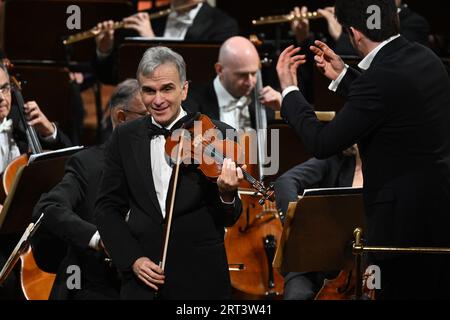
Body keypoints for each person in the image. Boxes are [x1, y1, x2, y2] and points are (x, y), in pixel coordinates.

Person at [276, 0, 450, 299]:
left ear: (355, 33)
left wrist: (290, 91)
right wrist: (345, 75)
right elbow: (390, 100)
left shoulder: (380, 80)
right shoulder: (426, 58)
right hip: (439, 220)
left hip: (398, 234)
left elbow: (323, 143)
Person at [95, 46, 243, 300]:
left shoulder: (217, 135)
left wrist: (227, 194)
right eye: (149, 91)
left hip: (201, 282)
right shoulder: (124, 136)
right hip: (142, 282)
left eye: (167, 89)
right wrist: (133, 259)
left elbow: (228, 218)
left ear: (184, 89)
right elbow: (107, 208)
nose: (158, 100)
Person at [31, 79, 147, 300]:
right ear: (121, 118)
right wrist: (98, 238)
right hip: (92, 285)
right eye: (147, 115)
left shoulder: (163, 166)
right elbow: (48, 207)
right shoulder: (87, 164)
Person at [0, 63, 72, 299]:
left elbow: (72, 164)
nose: (2, 98)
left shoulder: (23, 124)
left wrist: (48, 130)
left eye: (5, 89)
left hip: (39, 232)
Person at [275, 145, 362, 300]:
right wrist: (300, 225)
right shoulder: (334, 160)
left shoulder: (393, 169)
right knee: (297, 294)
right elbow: (285, 181)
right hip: (323, 255)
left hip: (369, 262)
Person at [94, 0, 239, 85]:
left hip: (191, 112)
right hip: (140, 108)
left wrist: (151, 41)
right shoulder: (148, 18)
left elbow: (204, 81)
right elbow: (111, 78)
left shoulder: (223, 25)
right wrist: (105, 50)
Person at [188, 36, 281, 131]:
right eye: (242, 75)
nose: (250, 82)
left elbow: (277, 143)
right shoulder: (192, 103)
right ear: (219, 70)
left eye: (253, 74)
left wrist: (282, 109)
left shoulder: (267, 101)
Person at [291, 0, 430, 55]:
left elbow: (382, 63)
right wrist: (304, 39)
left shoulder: (414, 24)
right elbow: (316, 78)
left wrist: (341, 36)